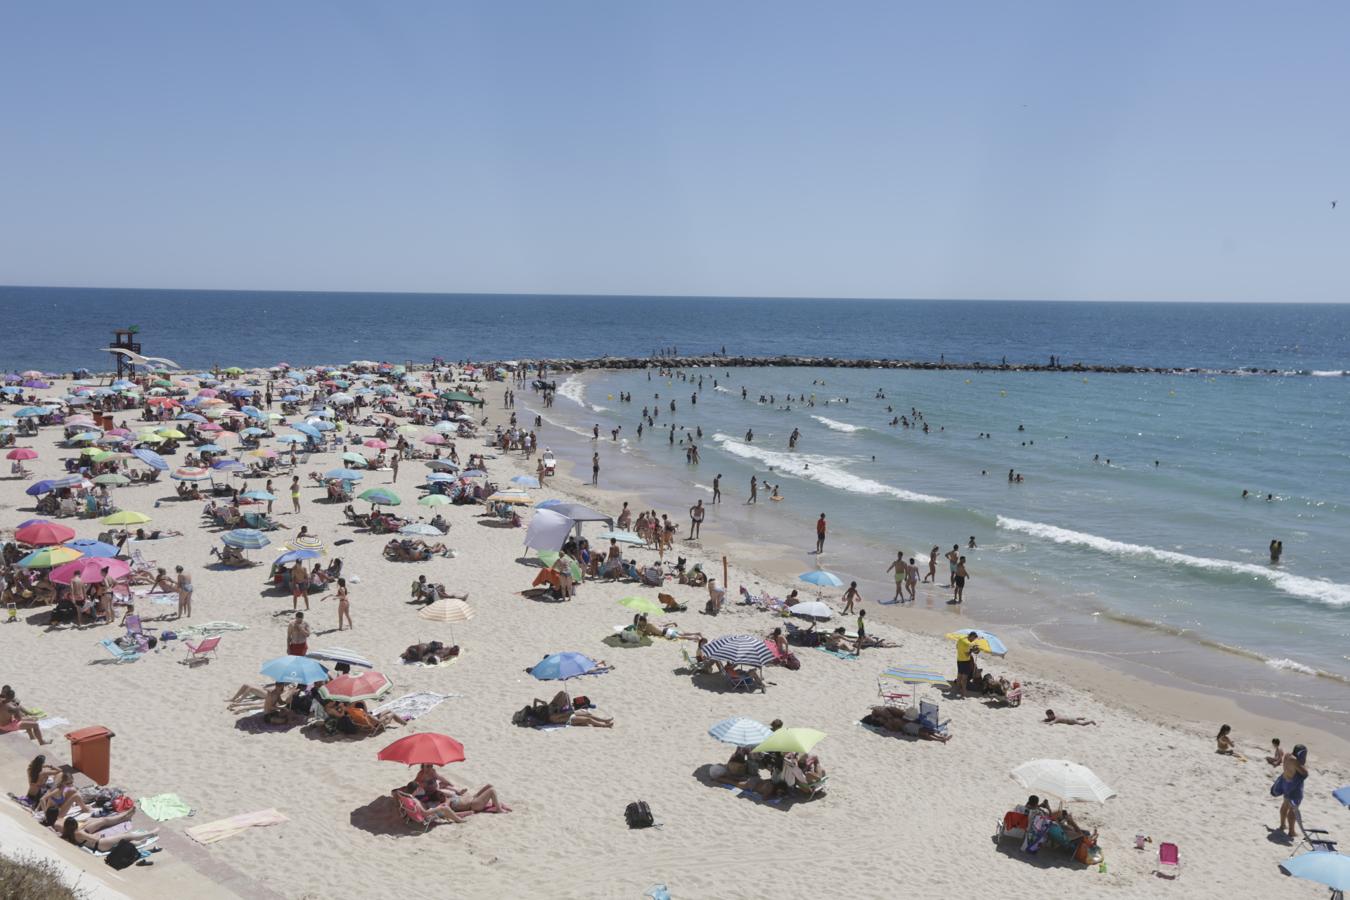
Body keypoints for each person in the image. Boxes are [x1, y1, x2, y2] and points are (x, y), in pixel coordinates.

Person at [62, 809, 160, 852]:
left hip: (92, 842)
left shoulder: (69, 833)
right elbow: (94, 839)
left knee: (103, 820)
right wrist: (98, 835)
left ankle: (124, 816)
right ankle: (151, 833)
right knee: (126, 836)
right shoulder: (79, 832)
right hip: (100, 844)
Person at [1274, 744, 1309, 840]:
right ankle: (1291, 831)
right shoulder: (1295, 761)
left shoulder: (1288, 755)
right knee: (1294, 808)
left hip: (1286, 783)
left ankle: (1282, 825)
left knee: (1285, 804)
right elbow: (1305, 773)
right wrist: (1304, 765)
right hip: (1294, 786)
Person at [955, 631, 980, 698]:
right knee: (964, 678)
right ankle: (963, 693)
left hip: (959, 660)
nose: (973, 640)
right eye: (973, 638)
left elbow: (957, 646)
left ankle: (957, 689)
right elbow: (967, 654)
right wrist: (973, 650)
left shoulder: (961, 638)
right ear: (972, 636)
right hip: (965, 661)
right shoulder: (968, 643)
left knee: (959, 675)